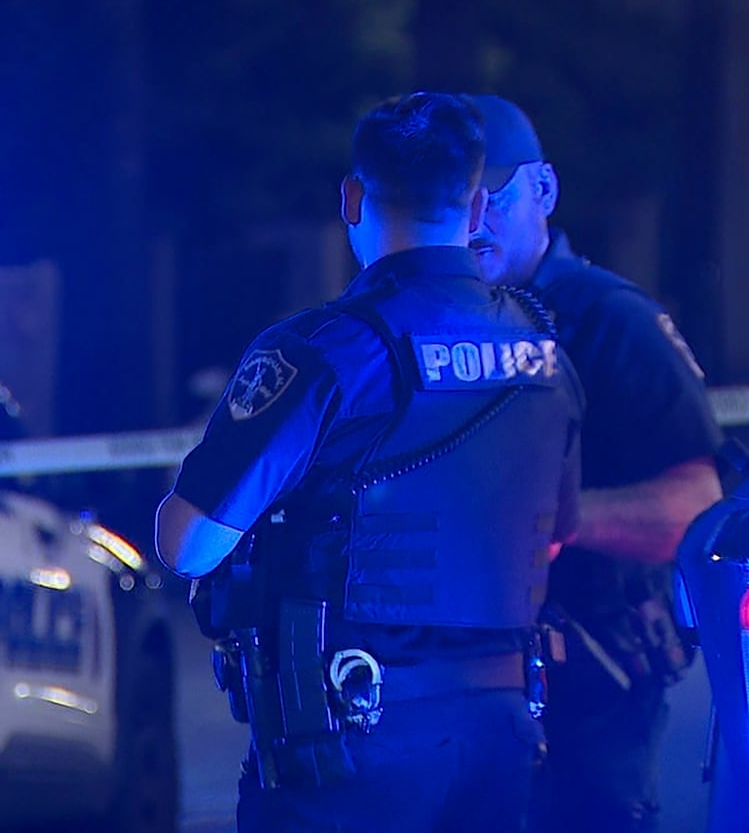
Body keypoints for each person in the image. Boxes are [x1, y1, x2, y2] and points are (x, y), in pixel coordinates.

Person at [157, 92, 585, 833]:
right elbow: (558, 528)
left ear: (352, 196)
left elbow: (187, 546)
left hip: (353, 741)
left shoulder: (325, 351)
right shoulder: (544, 350)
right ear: (477, 204)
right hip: (503, 732)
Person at [464, 95, 725, 833]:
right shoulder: (438, 321)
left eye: (495, 194)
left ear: (542, 191)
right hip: (459, 690)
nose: (475, 218)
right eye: (458, 199)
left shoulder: (611, 320)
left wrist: (552, 520)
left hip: (589, 692)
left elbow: (697, 509)